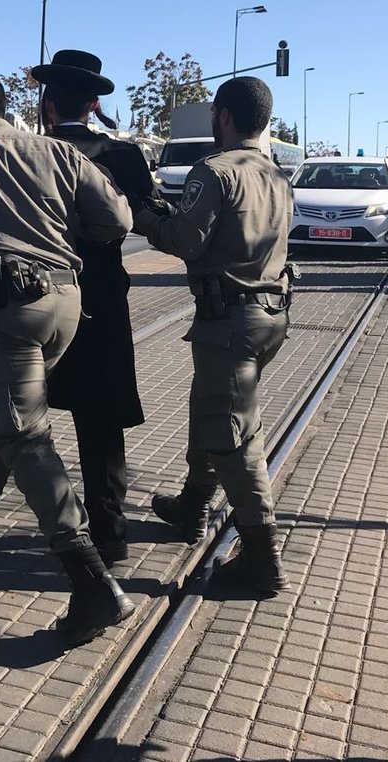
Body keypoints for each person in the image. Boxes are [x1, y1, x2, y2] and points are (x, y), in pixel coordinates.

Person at [0, 74, 136, 648]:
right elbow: (117, 221)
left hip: (4, 307)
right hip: (66, 302)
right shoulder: (59, 153)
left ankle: (89, 579)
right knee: (9, 415)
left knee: (22, 432)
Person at [0, 50, 165, 565]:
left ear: (45, 103)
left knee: (7, 400)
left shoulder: (26, 153)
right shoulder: (125, 157)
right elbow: (137, 216)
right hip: (100, 299)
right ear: (93, 103)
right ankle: (109, 527)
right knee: (99, 415)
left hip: (29, 295)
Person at [131, 77, 294, 597]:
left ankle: (262, 556)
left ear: (222, 115)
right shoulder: (277, 174)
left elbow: (187, 240)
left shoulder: (214, 170)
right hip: (269, 316)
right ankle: (193, 505)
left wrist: (140, 214)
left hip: (230, 322)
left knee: (232, 434)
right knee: (209, 405)